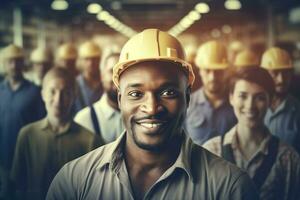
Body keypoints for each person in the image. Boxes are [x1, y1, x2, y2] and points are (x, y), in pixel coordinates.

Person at [46, 29, 258, 200]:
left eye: (168, 93)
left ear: (188, 98)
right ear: (120, 100)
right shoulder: (74, 182)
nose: (152, 107)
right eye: (136, 93)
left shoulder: (230, 188)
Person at [203, 66, 300, 200]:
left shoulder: (288, 160)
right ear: (231, 98)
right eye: (243, 96)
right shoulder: (211, 152)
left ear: (270, 100)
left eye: (259, 98)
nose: (250, 106)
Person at [10, 67, 104, 200]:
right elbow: (18, 187)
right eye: (52, 92)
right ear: (42, 94)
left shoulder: (90, 141)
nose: (58, 100)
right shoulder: (27, 135)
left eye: (65, 93)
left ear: (74, 96)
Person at [0, 44, 46, 172]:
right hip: (2, 159)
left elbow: (41, 126)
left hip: (26, 157)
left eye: (18, 61)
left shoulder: (35, 92)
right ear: (4, 64)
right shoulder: (0, 91)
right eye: (10, 61)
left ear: (23, 63)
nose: (14, 66)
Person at [185, 40, 236, 145]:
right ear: (200, 71)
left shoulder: (237, 104)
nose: (212, 77)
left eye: (218, 71)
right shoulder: (187, 104)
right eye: (207, 71)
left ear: (226, 71)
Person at [74, 45, 124, 143]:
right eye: (111, 71)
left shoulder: (142, 116)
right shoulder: (83, 120)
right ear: (102, 76)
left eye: (122, 72)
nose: (117, 77)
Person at [261, 47, 300, 153]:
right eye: (275, 73)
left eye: (286, 73)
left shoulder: (297, 111)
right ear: (264, 75)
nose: (281, 79)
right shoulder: (254, 108)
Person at [74, 41, 103, 112]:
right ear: (81, 61)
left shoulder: (106, 82)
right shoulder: (74, 84)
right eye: (87, 59)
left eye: (94, 59)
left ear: (100, 59)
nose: (91, 63)